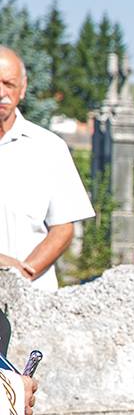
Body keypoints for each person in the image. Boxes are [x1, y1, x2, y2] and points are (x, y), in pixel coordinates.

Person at [0, 46, 95, 290]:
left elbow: (63, 228)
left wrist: (19, 278)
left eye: (9, 84)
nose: (1, 93)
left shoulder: (48, 148)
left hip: (33, 298)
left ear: (23, 88)